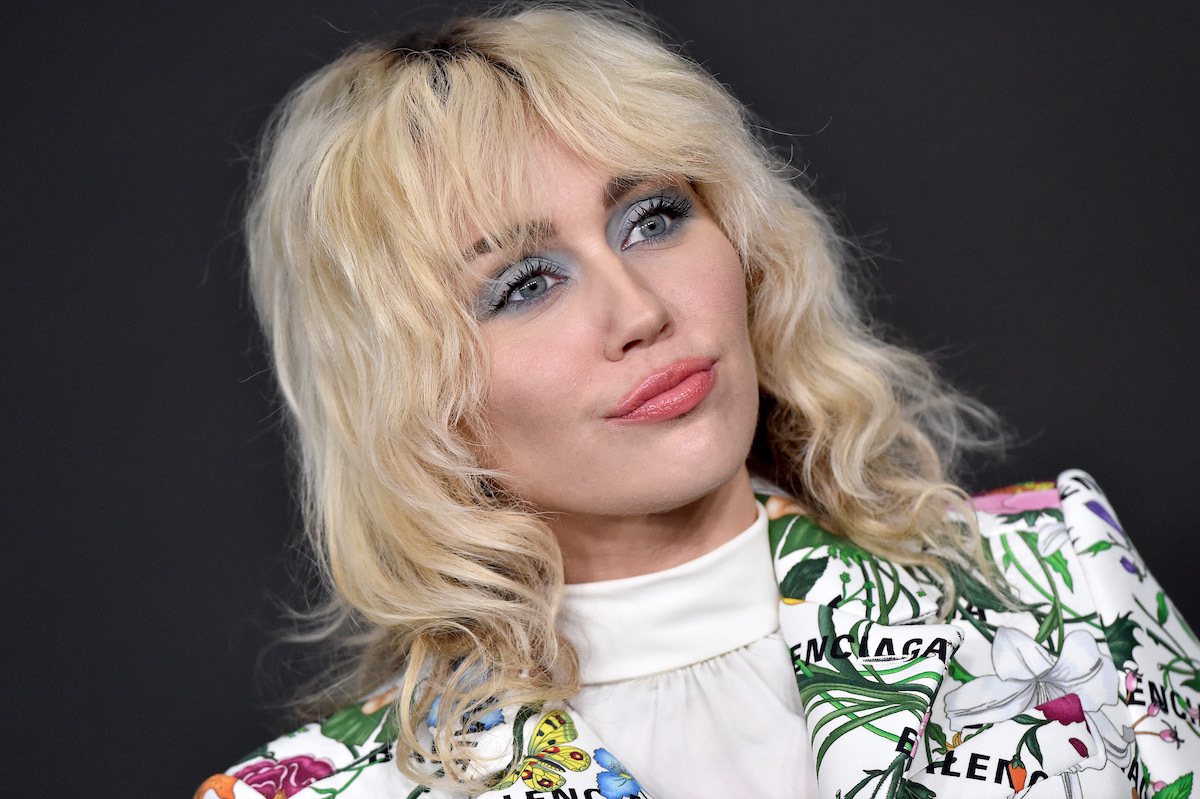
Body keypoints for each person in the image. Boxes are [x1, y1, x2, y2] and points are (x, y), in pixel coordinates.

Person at [196, 5, 1199, 799]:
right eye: (524, 284)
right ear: (409, 396)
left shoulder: (1063, 582)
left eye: (653, 218)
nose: (640, 311)